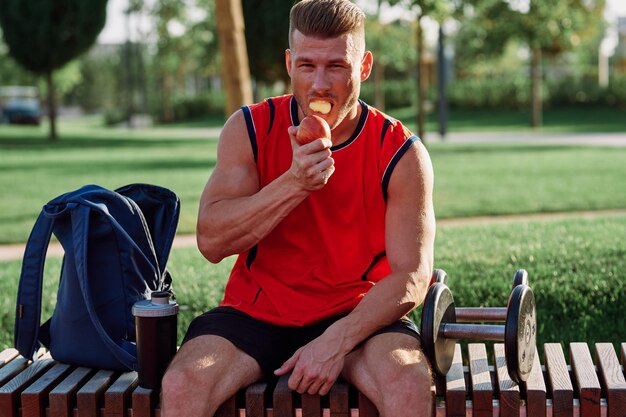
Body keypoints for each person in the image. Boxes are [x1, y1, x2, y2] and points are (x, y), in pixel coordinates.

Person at [161, 1, 436, 416]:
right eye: (307, 66)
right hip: (256, 310)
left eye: (337, 66)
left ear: (364, 67)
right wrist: (294, 183)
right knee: (183, 383)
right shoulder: (249, 128)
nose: (320, 84)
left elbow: (413, 276)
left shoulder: (401, 152)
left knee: (408, 381)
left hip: (357, 313)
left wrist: (337, 340)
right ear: (290, 64)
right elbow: (211, 241)